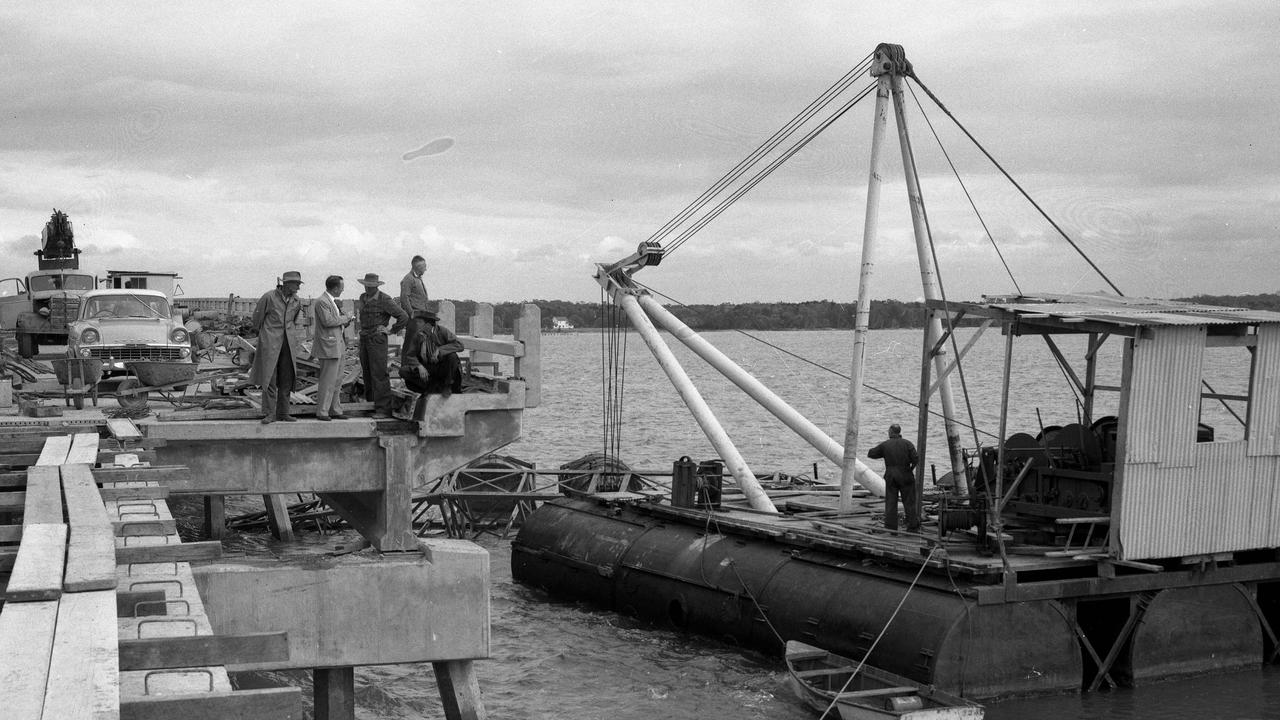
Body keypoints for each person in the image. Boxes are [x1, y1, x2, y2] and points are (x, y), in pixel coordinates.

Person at [250, 271, 305, 424]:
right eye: (296, 284)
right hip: (270, 344)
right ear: (286, 284)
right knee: (270, 378)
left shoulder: (296, 300)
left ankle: (284, 412)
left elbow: (293, 321)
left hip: (288, 344)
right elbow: (257, 319)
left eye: (299, 284)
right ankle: (269, 413)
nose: (298, 288)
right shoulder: (269, 297)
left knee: (287, 379)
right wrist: (266, 336)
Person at [354, 272, 408, 419]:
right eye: (366, 285)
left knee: (379, 374)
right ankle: (371, 405)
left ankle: (383, 410)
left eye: (371, 286)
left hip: (377, 339)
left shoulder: (385, 299)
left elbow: (403, 316)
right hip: (365, 337)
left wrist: (391, 330)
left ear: (376, 286)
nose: (368, 288)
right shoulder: (362, 298)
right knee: (367, 373)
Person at [399, 308, 463, 421]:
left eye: (420, 322)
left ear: (428, 324)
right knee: (404, 371)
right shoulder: (418, 336)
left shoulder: (442, 331)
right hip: (429, 368)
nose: (417, 324)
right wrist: (419, 366)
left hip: (444, 368)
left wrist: (441, 350)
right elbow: (410, 355)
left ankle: (447, 385)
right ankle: (429, 389)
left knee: (452, 357)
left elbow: (459, 345)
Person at [311, 275, 353, 421]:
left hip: (337, 345)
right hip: (329, 346)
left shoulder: (331, 302)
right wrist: (346, 318)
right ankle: (322, 411)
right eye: (341, 287)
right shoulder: (322, 302)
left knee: (337, 380)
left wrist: (343, 322)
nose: (342, 290)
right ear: (335, 288)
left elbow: (334, 322)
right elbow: (328, 321)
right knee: (328, 380)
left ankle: (335, 409)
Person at [868, 424, 920, 532]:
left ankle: (891, 528)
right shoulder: (907, 443)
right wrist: (911, 468)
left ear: (891, 432)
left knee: (891, 502)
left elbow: (871, 454)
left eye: (888, 431)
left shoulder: (885, 445)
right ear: (899, 432)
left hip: (891, 475)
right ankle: (912, 527)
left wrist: (884, 453)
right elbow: (916, 459)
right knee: (909, 502)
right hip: (906, 474)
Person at [399, 255, 431, 348]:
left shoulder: (418, 279)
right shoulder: (409, 278)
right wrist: (411, 313)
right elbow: (404, 298)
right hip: (415, 318)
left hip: (421, 317)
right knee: (412, 343)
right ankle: (408, 362)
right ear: (418, 267)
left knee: (418, 343)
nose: (426, 269)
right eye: (424, 267)